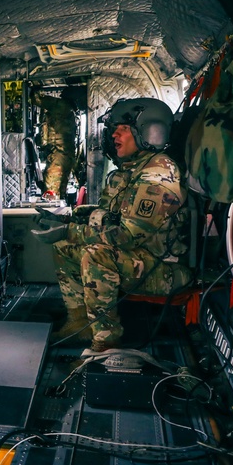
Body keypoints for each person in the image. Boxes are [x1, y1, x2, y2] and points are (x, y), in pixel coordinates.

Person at [33, 97, 190, 353]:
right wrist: (66, 219)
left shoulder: (157, 175)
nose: (114, 134)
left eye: (123, 128)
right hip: (138, 257)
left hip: (164, 269)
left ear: (150, 131)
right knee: (64, 244)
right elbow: (109, 215)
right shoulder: (129, 170)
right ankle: (79, 323)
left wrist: (69, 229)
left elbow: (125, 236)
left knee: (97, 256)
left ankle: (105, 344)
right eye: (114, 127)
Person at [36, 89, 79, 201]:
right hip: (68, 155)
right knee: (61, 192)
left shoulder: (60, 105)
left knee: (50, 192)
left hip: (58, 155)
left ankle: (50, 215)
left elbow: (37, 100)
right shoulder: (72, 112)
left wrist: (35, 91)